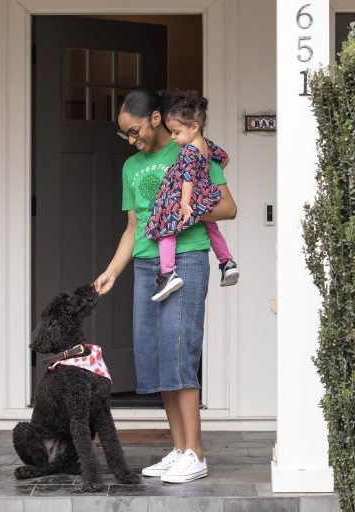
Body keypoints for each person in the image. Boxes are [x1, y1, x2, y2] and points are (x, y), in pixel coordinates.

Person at [93, 88, 237, 484]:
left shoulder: (190, 147)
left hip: (187, 260)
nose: (132, 140)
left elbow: (228, 207)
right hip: (144, 266)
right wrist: (111, 271)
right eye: (125, 135)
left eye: (135, 130)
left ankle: (196, 452)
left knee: (179, 351)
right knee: (157, 357)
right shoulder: (130, 168)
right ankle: (179, 450)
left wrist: (179, 213)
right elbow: (134, 227)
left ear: (156, 118)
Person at [144, 91, 239, 302]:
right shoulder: (206, 145)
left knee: (166, 229)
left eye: (176, 132)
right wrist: (205, 174)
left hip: (184, 196)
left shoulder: (188, 151)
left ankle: (168, 273)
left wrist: (185, 204)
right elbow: (224, 159)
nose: (173, 137)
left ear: (194, 127)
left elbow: (187, 177)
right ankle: (227, 262)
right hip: (205, 195)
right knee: (212, 227)